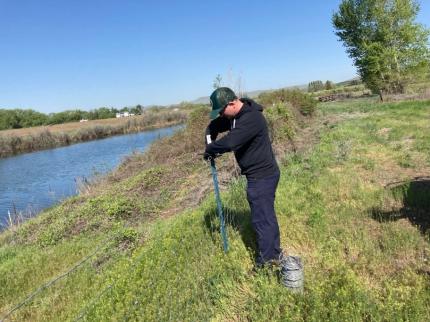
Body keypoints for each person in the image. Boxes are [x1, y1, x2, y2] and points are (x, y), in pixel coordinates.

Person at [204, 87, 283, 267]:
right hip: (258, 175)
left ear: (231, 103)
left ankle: (269, 261)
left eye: (222, 110)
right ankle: (271, 255)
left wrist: (210, 150)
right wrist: (209, 136)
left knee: (263, 220)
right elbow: (214, 126)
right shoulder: (235, 117)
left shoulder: (251, 118)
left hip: (262, 176)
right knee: (264, 216)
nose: (222, 115)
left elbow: (231, 142)